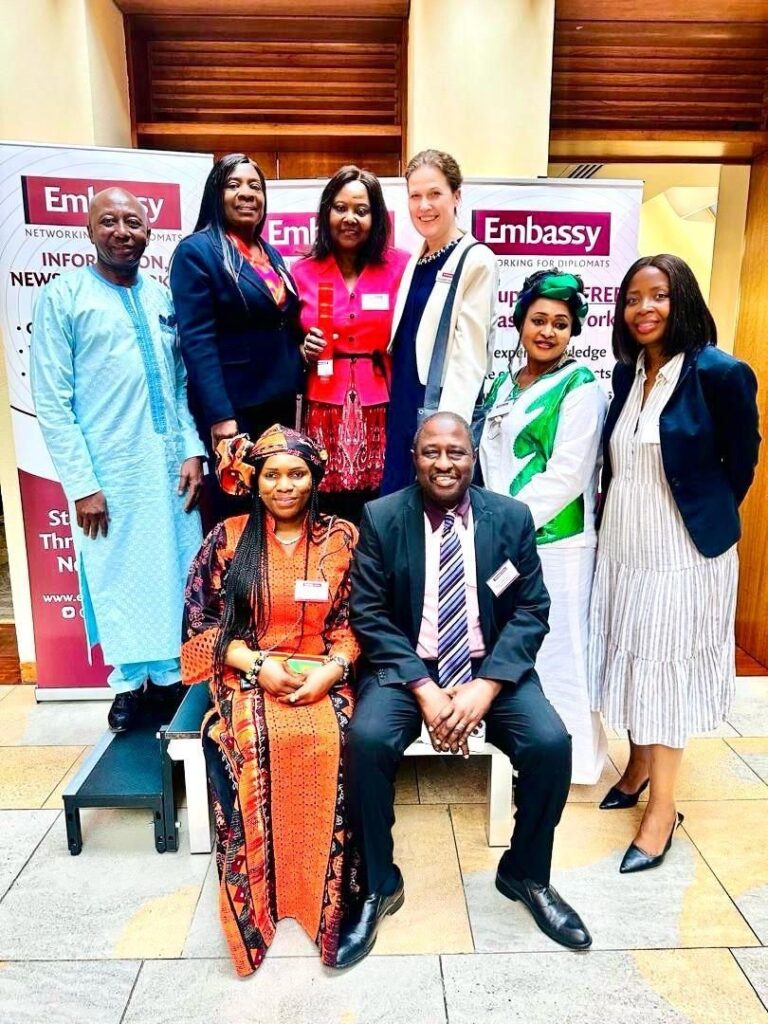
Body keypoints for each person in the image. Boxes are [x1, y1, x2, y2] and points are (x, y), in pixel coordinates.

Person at [337, 411, 591, 968]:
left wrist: (488, 685)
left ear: (473, 458)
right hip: (408, 666)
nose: (444, 463)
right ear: (414, 457)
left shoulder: (511, 517)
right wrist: (424, 687)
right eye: (432, 451)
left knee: (551, 744)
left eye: (456, 452)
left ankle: (526, 872)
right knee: (366, 741)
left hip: (489, 663)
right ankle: (378, 882)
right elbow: (370, 613)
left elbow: (531, 608)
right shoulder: (382, 517)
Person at [588, 254, 760, 873]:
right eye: (633, 298)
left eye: (657, 295)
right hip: (625, 543)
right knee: (633, 651)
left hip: (681, 552)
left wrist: (702, 518)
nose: (644, 309)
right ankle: (637, 766)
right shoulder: (627, 372)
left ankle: (662, 811)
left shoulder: (719, 372)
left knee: (662, 667)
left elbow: (741, 462)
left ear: (681, 298)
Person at [181, 424, 360, 976]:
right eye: (273, 475)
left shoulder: (341, 538)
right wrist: (258, 666)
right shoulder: (227, 539)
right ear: (254, 481)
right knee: (253, 739)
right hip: (245, 671)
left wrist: (331, 672)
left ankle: (323, 902)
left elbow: (353, 624)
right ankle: (258, 908)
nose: (285, 486)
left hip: (321, 672)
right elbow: (199, 630)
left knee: (337, 737)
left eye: (297, 474)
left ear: (315, 478)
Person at [31, 188, 204, 732]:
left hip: (169, 465)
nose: (122, 232)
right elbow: (51, 400)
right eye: (109, 221)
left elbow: (180, 385)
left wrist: (192, 448)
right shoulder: (64, 297)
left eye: (133, 222)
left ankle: (171, 677)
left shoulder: (161, 298)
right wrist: (83, 484)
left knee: (176, 569)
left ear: (149, 233)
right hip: (108, 471)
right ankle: (129, 685)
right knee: (117, 574)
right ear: (89, 230)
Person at [480, 269, 608, 784]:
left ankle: (573, 765)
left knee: (560, 650)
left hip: (557, 544)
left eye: (561, 323)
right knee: (513, 646)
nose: (548, 331)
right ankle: (521, 758)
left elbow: (568, 475)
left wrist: (504, 526)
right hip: (502, 540)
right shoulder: (502, 384)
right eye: (538, 320)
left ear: (574, 330)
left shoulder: (581, 386)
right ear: (519, 322)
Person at [170, 153, 303, 517]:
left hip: (277, 403)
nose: (246, 193)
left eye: (255, 186)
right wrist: (220, 416)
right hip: (235, 410)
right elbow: (197, 339)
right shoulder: (197, 251)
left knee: (274, 504)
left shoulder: (269, 253)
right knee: (237, 506)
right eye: (234, 185)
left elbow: (278, 321)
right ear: (216, 194)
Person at [292, 166, 409, 522]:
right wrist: (302, 350)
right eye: (340, 208)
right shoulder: (301, 271)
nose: (350, 218)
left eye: (362, 210)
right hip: (323, 405)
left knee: (382, 505)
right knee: (326, 509)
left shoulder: (402, 266)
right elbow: (282, 342)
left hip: (382, 406)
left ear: (377, 217)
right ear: (326, 212)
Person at [380, 150, 497, 494]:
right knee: (400, 506)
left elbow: (469, 360)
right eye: (415, 196)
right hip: (404, 404)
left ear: (456, 196)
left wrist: (446, 438)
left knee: (431, 507)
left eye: (435, 194)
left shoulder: (476, 260)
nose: (424, 206)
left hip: (436, 409)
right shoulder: (416, 258)